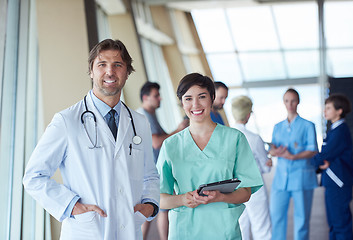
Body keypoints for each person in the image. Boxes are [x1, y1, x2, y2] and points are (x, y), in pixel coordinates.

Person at [23, 39, 160, 240]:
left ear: (127, 72)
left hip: (129, 230)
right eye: (102, 65)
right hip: (87, 231)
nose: (110, 72)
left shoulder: (139, 122)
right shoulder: (66, 121)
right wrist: (72, 206)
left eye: (118, 65)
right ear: (91, 71)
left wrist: (149, 206)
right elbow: (34, 176)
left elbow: (150, 174)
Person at [156, 73, 263, 239]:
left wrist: (221, 197)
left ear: (212, 98)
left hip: (223, 231)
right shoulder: (171, 146)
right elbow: (160, 198)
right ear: (182, 103)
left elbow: (246, 192)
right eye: (188, 98)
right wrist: (183, 199)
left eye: (202, 97)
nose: (195, 104)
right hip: (185, 231)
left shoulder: (234, 139)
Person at [137, 81, 188, 240]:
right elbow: (157, 142)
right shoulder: (143, 116)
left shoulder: (151, 115)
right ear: (145, 97)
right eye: (156, 95)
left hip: (154, 170)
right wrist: (179, 129)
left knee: (151, 209)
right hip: (150, 171)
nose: (160, 98)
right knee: (161, 208)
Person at [269, 88, 318, 240]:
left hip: (301, 178)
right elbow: (273, 149)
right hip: (280, 180)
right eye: (286, 101)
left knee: (301, 218)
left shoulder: (308, 125)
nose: (290, 104)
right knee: (276, 217)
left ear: (298, 102)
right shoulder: (277, 127)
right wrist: (274, 152)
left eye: (293, 101)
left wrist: (293, 157)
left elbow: (313, 150)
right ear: (283, 102)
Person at [310, 94, 353, 240]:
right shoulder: (334, 130)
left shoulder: (340, 131)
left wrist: (310, 160)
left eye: (328, 108)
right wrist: (324, 161)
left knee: (340, 223)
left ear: (339, 110)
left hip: (338, 183)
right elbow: (327, 157)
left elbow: (325, 154)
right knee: (334, 223)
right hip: (332, 183)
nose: (325, 111)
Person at [231, 95, 272, 240]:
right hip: (255, 188)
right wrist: (269, 162)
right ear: (248, 114)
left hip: (234, 187)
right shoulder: (254, 138)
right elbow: (265, 167)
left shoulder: (225, 137)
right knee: (262, 228)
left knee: (241, 228)